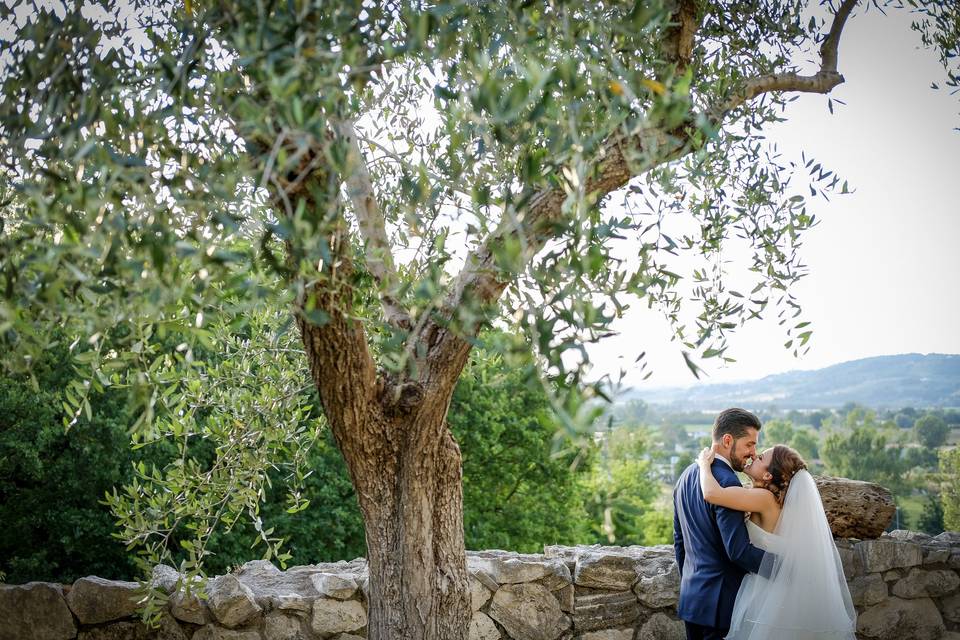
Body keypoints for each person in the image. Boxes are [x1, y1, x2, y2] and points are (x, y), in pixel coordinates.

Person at [696, 442, 857, 640]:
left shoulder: (764, 499)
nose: (754, 456)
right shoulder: (778, 502)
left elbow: (712, 494)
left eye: (761, 458)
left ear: (767, 475)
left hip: (765, 592)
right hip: (778, 589)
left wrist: (703, 464)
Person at [673, 408, 767, 640]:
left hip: (692, 600)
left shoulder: (685, 476)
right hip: (721, 606)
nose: (753, 453)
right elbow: (737, 551)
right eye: (749, 444)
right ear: (727, 440)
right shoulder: (727, 483)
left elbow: (680, 543)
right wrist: (786, 566)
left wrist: (691, 584)